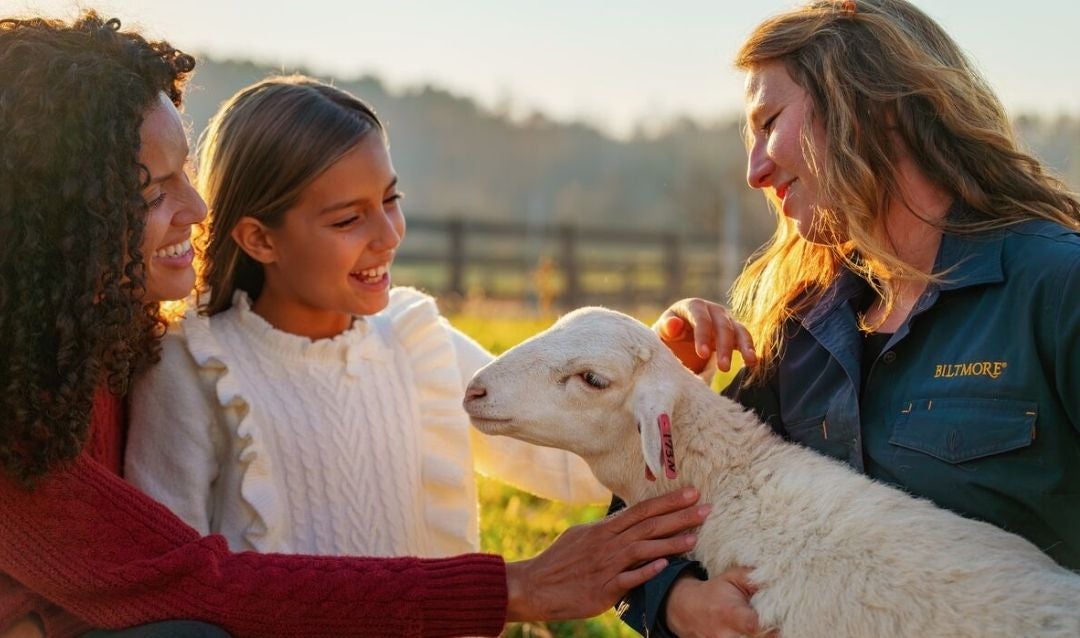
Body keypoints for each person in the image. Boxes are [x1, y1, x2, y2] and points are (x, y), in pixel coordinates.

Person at [0, 13, 710, 637]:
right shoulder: (181, 364)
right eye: (154, 191)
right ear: (59, 217)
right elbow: (185, 582)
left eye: (185, 174)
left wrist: (650, 367)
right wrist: (515, 587)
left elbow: (563, 447)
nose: (196, 207)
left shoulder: (99, 340)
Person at [621, 1, 1080, 636]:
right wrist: (676, 604)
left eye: (769, 122)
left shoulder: (1058, 288)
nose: (754, 171)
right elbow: (646, 523)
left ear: (869, 105)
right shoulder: (799, 330)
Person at [123, 75, 612, 559]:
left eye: (390, 200)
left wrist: (662, 361)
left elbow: (570, 463)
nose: (388, 235)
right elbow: (172, 573)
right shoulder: (193, 367)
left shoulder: (420, 343)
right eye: (348, 219)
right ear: (261, 240)